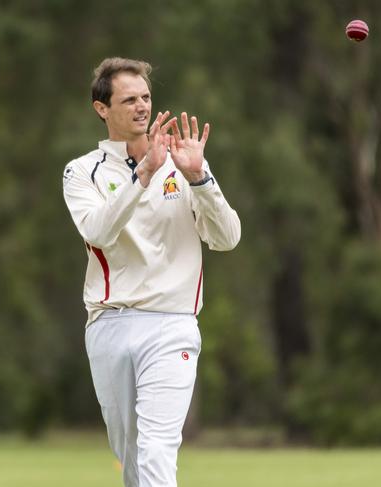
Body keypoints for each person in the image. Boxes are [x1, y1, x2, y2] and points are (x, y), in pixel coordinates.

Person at [62, 57, 241, 487]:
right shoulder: (81, 171)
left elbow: (227, 237)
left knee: (158, 447)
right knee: (130, 454)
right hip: (109, 324)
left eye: (145, 98)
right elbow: (99, 232)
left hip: (172, 324)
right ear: (101, 108)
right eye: (128, 100)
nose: (141, 107)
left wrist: (199, 178)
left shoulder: (184, 161)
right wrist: (142, 176)